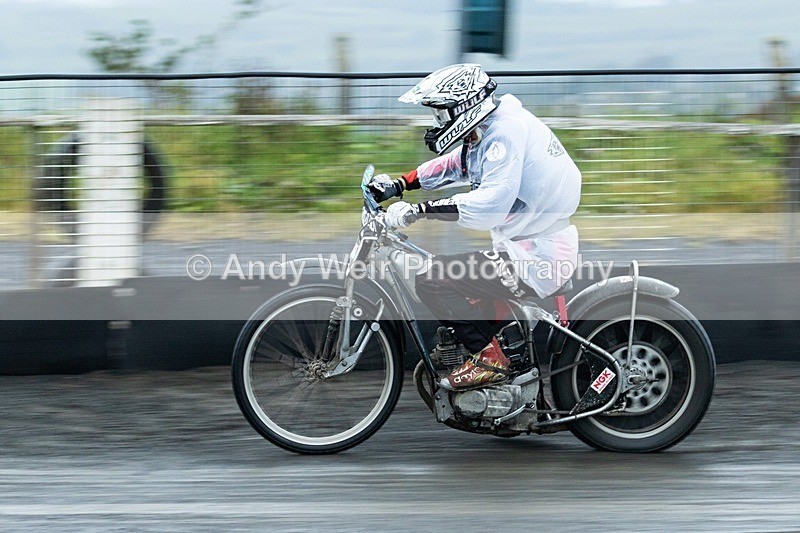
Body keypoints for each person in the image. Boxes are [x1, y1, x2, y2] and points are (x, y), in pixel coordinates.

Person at [368, 64, 582, 391]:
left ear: (465, 106)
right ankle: (504, 362)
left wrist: (419, 210)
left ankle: (491, 360)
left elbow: (490, 204)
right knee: (457, 276)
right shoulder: (490, 130)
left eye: (442, 114)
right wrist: (401, 183)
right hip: (527, 246)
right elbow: (456, 165)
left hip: (538, 256)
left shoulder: (505, 135)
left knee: (432, 278)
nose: (438, 123)